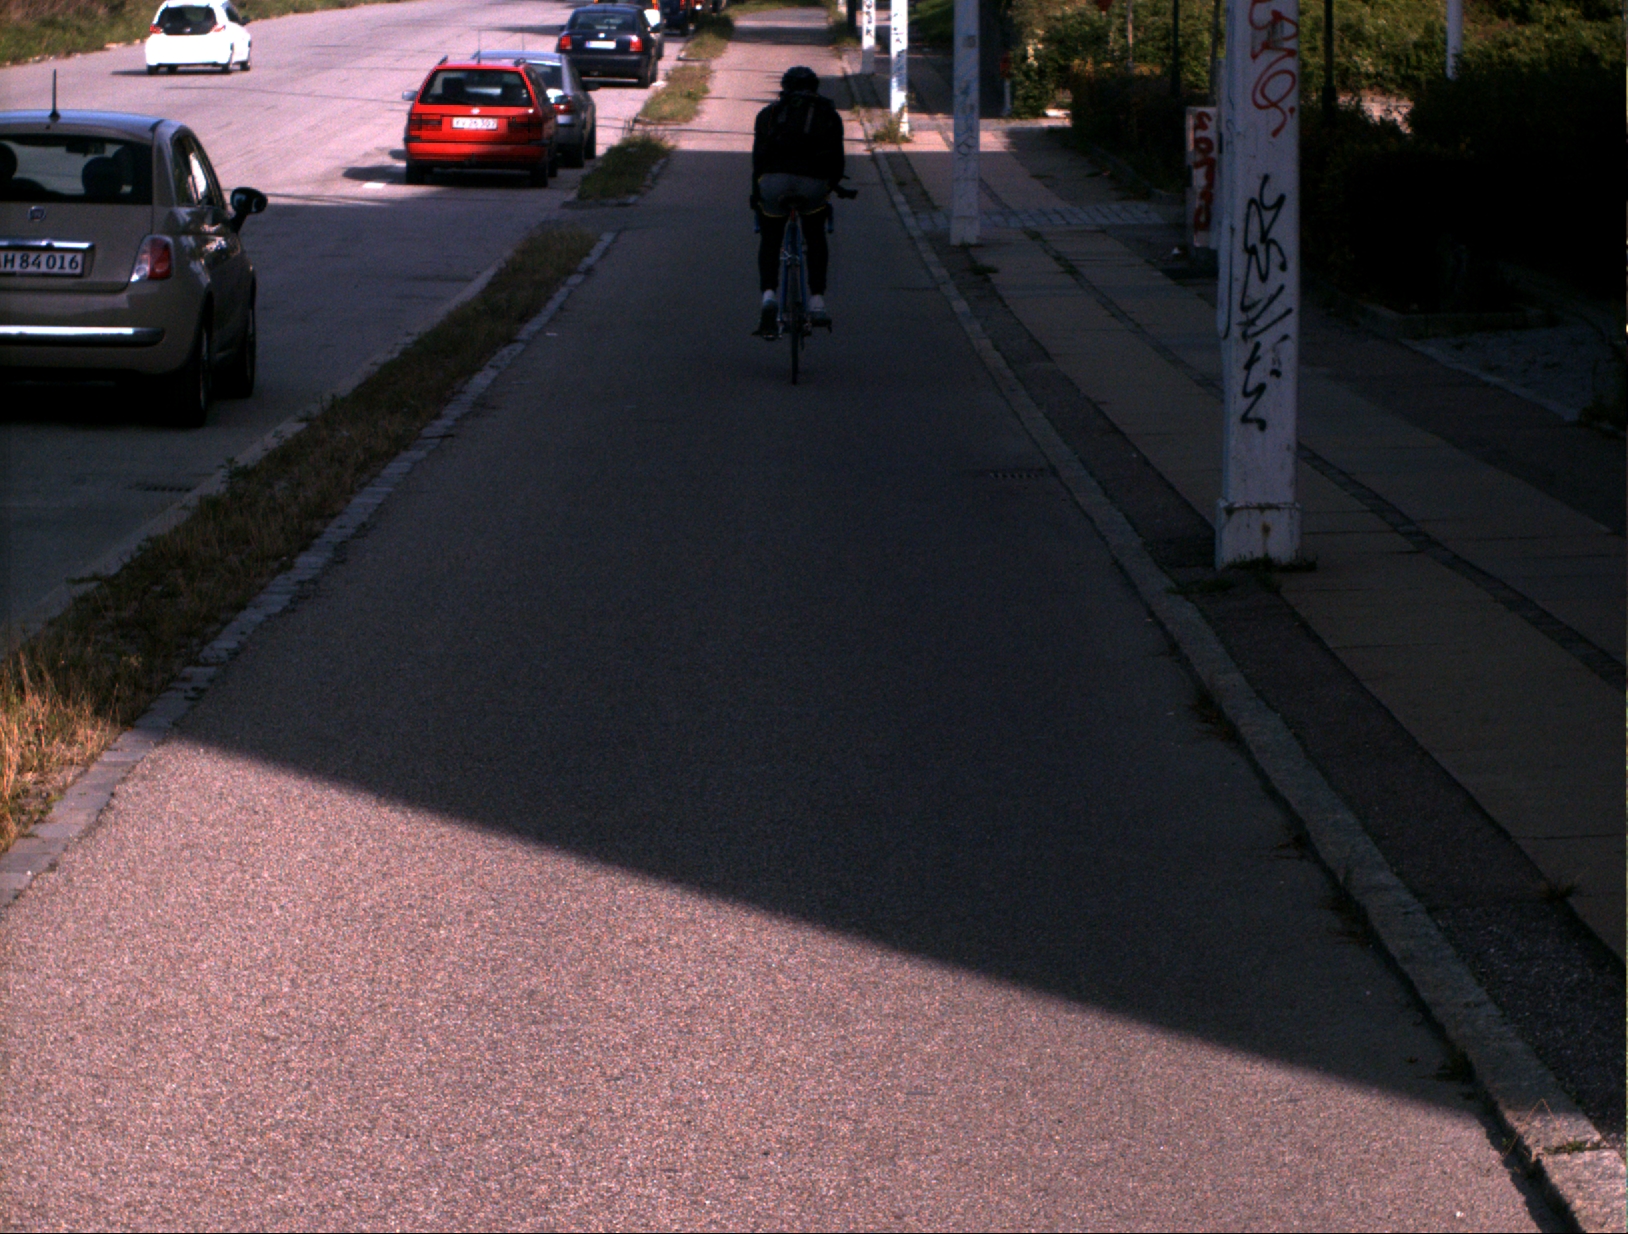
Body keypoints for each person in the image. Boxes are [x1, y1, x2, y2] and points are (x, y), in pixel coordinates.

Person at [750, 65, 853, 335]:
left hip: (773, 184)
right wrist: (832, 185)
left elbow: (758, 161)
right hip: (812, 185)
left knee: (770, 238)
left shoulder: (768, 114)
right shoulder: (829, 115)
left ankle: (769, 296)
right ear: (815, 87)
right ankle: (817, 301)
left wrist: (756, 194)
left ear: (784, 87)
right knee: (815, 236)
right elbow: (838, 161)